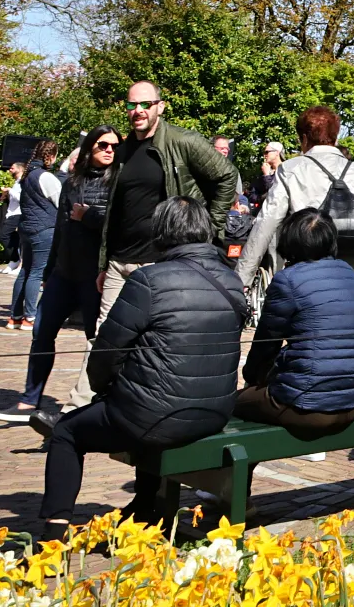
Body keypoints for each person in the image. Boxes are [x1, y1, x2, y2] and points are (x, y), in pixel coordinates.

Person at [35, 197, 246, 542]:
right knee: (151, 400)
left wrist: (107, 388)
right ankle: (145, 503)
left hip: (154, 415)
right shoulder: (231, 280)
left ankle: (55, 528)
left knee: (66, 432)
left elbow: (107, 349)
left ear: (160, 233)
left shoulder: (149, 280)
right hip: (214, 411)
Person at [68, 81, 239, 409]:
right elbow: (116, 210)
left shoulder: (182, 142)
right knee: (103, 340)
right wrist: (105, 263)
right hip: (121, 262)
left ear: (161, 106)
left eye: (145, 104)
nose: (138, 112)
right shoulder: (123, 150)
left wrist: (210, 230)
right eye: (132, 106)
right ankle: (75, 412)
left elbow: (226, 176)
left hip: (162, 263)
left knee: (156, 342)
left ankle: (143, 411)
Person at [0, 127, 116, 423]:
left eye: (114, 146)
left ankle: (92, 404)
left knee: (95, 340)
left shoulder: (119, 183)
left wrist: (89, 217)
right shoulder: (72, 181)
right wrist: (49, 270)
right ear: (89, 148)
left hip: (94, 274)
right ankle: (28, 401)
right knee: (41, 333)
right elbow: (61, 225)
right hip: (65, 270)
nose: (109, 150)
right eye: (103, 144)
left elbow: (119, 229)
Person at [238, 208, 354, 436]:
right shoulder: (352, 276)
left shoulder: (288, 280)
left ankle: (240, 471)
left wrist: (252, 379)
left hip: (305, 405)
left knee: (234, 406)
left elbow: (267, 342)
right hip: (352, 402)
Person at [237, 106, 354, 294]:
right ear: (335, 137)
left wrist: (243, 276)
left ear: (304, 138)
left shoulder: (291, 169)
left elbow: (267, 221)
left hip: (307, 266)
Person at [9, 141, 64, 330]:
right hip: (43, 229)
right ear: (50, 156)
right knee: (36, 273)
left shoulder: (27, 175)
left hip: (26, 229)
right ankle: (29, 317)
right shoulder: (45, 177)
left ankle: (14, 317)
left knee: (25, 271)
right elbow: (61, 202)